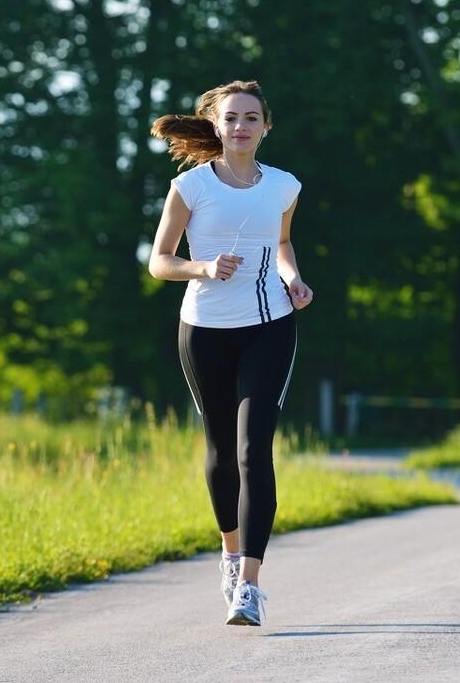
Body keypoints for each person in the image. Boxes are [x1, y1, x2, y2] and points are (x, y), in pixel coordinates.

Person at [148, 80, 313, 625]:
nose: (240, 126)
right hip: (204, 329)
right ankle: (229, 552)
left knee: (252, 451)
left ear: (266, 126)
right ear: (216, 127)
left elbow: (282, 243)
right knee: (220, 449)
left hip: (270, 325)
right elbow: (160, 261)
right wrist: (204, 267)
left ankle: (250, 584)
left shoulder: (285, 186)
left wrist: (293, 279)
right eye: (231, 118)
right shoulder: (191, 187)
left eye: (250, 118)